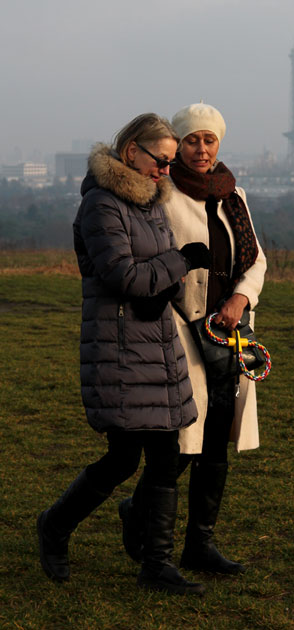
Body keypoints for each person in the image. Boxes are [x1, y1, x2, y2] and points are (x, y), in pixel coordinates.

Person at [37, 113, 212, 595]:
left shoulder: (154, 200)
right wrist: (182, 261)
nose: (165, 170)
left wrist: (195, 313)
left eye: (170, 163)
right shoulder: (100, 204)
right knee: (122, 459)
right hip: (117, 347)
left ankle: (156, 565)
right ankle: (54, 525)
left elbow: (156, 273)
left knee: (161, 455)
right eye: (161, 160)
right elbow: (125, 276)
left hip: (156, 342)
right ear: (132, 151)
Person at [119, 103, 267, 576]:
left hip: (231, 334)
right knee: (186, 442)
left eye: (209, 140)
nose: (201, 149)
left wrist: (241, 300)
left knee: (218, 441)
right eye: (191, 141)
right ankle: (139, 514)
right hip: (180, 328)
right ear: (177, 145)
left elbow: (256, 261)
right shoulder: (160, 194)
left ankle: (200, 544)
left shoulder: (233, 195)